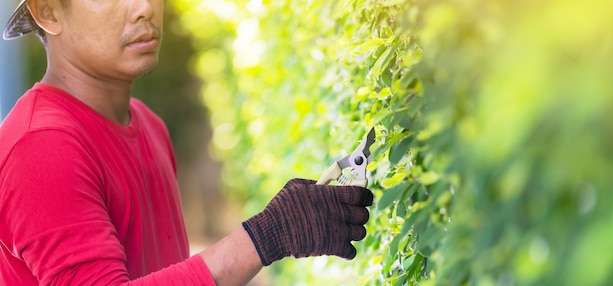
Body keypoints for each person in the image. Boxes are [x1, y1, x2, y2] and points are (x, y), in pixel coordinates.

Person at [0, 0, 374, 285]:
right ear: (48, 11)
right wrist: (266, 236)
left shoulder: (147, 123)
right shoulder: (41, 145)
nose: (145, 8)